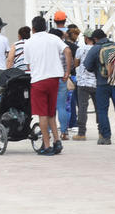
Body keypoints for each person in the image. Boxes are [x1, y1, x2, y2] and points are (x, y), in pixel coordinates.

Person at [26, 15, 70, 155]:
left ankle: (46, 145)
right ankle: (57, 141)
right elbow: (67, 51)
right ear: (45, 27)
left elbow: (28, 63)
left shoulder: (29, 42)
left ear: (33, 29)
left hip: (38, 80)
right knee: (51, 112)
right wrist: (67, 72)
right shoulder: (54, 38)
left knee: (42, 115)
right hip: (54, 79)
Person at [83, 29, 115, 145]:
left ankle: (105, 136)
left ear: (95, 39)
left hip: (102, 83)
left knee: (102, 111)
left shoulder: (95, 49)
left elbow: (87, 66)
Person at [72, 32, 97, 141]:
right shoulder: (97, 49)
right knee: (99, 108)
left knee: (82, 107)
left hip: (82, 82)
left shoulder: (80, 49)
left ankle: (81, 133)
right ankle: (102, 132)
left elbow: (76, 63)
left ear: (86, 38)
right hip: (95, 82)